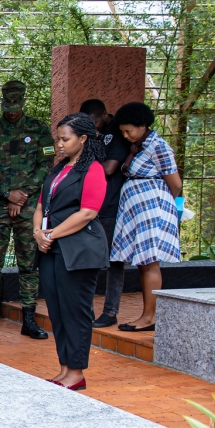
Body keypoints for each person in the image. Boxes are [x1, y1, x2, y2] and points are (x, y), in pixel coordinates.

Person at [33, 113, 109, 391]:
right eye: (59, 139)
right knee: (57, 310)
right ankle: (65, 368)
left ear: (83, 138)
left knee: (75, 311)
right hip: (52, 248)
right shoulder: (59, 169)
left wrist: (51, 234)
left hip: (78, 250)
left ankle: (76, 372)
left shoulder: (93, 169)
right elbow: (42, 205)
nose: (60, 145)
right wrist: (38, 232)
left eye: (65, 139)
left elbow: (88, 212)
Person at [0, 80, 54, 340]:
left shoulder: (39, 130)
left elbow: (46, 164)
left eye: (15, 106)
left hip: (30, 208)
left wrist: (22, 196)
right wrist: (6, 193)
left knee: (29, 265)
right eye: (7, 106)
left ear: (22, 102)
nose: (11, 111)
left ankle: (29, 320)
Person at [109, 101, 183, 332]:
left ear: (143, 126)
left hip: (152, 210)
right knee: (143, 263)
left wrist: (157, 206)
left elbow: (175, 185)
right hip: (137, 210)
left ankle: (149, 317)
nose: (125, 135)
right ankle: (147, 314)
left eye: (129, 130)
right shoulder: (138, 146)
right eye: (122, 131)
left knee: (150, 262)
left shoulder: (158, 147)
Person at [82, 99, 131, 328]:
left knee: (114, 261)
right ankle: (86, 310)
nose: (92, 127)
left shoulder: (117, 134)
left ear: (104, 114)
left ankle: (110, 311)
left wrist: (85, 169)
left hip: (111, 206)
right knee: (89, 259)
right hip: (92, 206)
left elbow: (110, 168)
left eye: (94, 121)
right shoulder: (95, 135)